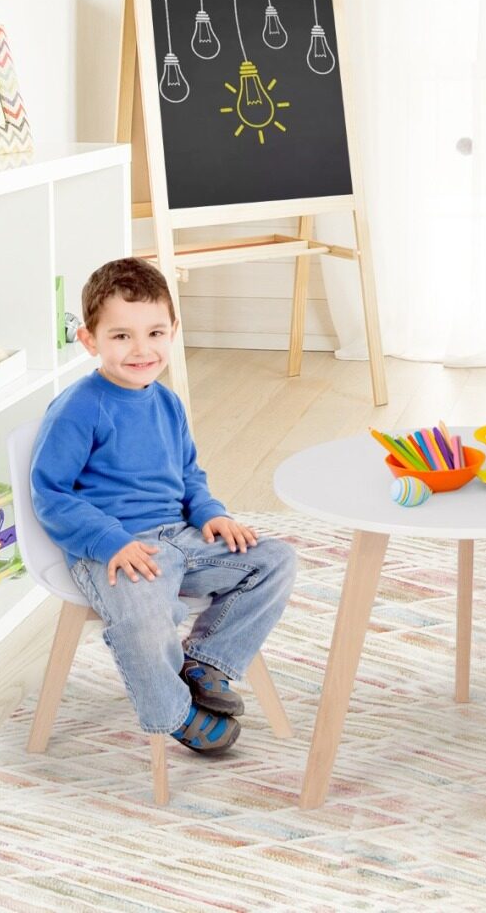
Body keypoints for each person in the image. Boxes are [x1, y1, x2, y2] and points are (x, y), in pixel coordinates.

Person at [31, 257, 296, 753]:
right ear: (90, 340)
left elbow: (188, 474)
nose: (142, 349)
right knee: (142, 615)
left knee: (275, 560)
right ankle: (174, 710)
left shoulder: (168, 403)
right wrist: (111, 541)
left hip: (181, 539)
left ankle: (207, 661)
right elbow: (51, 493)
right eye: (121, 336)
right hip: (116, 549)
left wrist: (212, 513)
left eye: (155, 333)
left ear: (173, 331)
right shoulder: (79, 407)